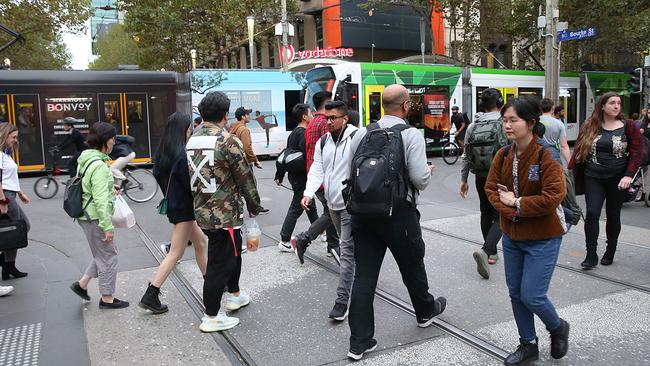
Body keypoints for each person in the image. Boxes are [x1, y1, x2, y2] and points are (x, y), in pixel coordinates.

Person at [346, 85, 445, 361]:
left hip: (364, 215)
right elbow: (420, 179)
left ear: (381, 106)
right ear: (406, 106)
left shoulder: (362, 133)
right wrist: (428, 171)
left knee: (364, 276)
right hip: (399, 214)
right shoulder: (411, 134)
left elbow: (349, 174)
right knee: (412, 264)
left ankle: (359, 341)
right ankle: (425, 311)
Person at [485, 96, 570, 366]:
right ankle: (528, 344)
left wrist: (518, 203)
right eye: (505, 120)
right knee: (515, 293)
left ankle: (557, 327)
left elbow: (553, 196)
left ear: (531, 123)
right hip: (512, 235)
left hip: (543, 237)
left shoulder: (547, 154)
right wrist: (512, 210)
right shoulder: (503, 154)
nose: (507, 126)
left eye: (513, 120)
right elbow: (491, 190)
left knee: (531, 294)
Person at [187, 91, 263, 332]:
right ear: (225, 114)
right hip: (224, 213)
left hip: (203, 210)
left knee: (232, 253)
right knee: (220, 263)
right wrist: (254, 205)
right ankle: (211, 315)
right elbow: (245, 178)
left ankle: (235, 294)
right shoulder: (227, 140)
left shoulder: (192, 139)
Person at [138, 112, 208, 314]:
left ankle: (211, 281)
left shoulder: (163, 155)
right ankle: (151, 293)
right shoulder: (181, 157)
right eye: (189, 129)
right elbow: (190, 187)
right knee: (175, 253)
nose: (190, 133)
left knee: (200, 242)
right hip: (185, 209)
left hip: (176, 206)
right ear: (183, 131)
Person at [299, 100, 359, 321]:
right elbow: (318, 167)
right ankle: (359, 274)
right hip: (331, 204)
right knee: (350, 251)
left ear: (345, 118)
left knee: (346, 252)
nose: (329, 122)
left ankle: (341, 302)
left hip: (350, 206)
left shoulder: (356, 138)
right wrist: (308, 192)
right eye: (327, 118)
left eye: (333, 118)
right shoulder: (323, 141)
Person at [568, 92, 644, 268]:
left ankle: (610, 250)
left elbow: (638, 152)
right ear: (602, 106)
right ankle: (591, 254)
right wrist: (569, 172)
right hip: (593, 176)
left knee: (613, 214)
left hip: (618, 178)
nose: (616, 106)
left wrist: (628, 175)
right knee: (592, 213)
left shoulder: (629, 126)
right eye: (612, 103)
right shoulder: (590, 125)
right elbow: (579, 149)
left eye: (618, 103)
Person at [69, 122, 129, 309]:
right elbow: (100, 200)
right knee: (109, 256)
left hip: (85, 215)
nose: (113, 143)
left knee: (101, 253)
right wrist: (107, 227)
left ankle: (82, 284)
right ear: (105, 140)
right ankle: (107, 298)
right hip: (95, 217)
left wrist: (111, 188)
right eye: (112, 139)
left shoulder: (86, 159)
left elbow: (90, 188)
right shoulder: (100, 166)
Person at [460, 88, 507, 279]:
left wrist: (463, 179)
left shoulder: (473, 125)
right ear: (500, 102)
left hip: (480, 175)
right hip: (501, 176)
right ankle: (487, 249)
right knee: (502, 214)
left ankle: (492, 252)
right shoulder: (505, 123)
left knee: (486, 211)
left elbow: (466, 155)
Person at [291, 91, 339, 256]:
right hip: (323, 176)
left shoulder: (311, 123)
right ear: (328, 103)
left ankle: (332, 245)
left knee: (331, 210)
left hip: (314, 175)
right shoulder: (326, 123)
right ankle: (308, 238)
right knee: (333, 210)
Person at [275, 104, 319, 251]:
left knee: (309, 205)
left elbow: (286, 155)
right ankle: (285, 240)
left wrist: (279, 175)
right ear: (304, 117)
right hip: (301, 177)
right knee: (296, 207)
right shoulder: (303, 133)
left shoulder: (294, 133)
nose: (313, 116)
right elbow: (307, 157)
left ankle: (321, 231)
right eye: (311, 114)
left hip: (295, 176)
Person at [0, 123, 30, 280]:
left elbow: (9, 177)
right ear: (4, 135)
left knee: (16, 229)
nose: (15, 140)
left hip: (10, 194)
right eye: (13, 137)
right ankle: (7, 266)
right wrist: (2, 200)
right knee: (16, 230)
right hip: (6, 196)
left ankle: (7, 267)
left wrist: (20, 192)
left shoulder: (5, 153)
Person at [539, 98, 571, 165]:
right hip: (552, 156)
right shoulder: (559, 124)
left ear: (540, 108)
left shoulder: (534, 122)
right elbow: (564, 146)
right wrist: (569, 163)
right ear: (553, 108)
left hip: (537, 155)